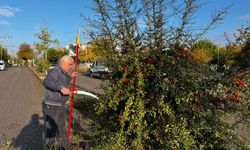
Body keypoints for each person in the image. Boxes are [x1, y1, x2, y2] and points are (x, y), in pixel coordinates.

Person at [42, 55, 77, 149]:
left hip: (59, 104)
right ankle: (48, 147)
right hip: (52, 105)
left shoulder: (63, 72)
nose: (71, 67)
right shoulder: (55, 71)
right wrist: (60, 88)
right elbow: (47, 82)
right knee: (51, 130)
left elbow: (63, 81)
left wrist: (70, 77)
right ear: (62, 62)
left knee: (61, 128)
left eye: (72, 65)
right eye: (70, 64)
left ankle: (67, 146)